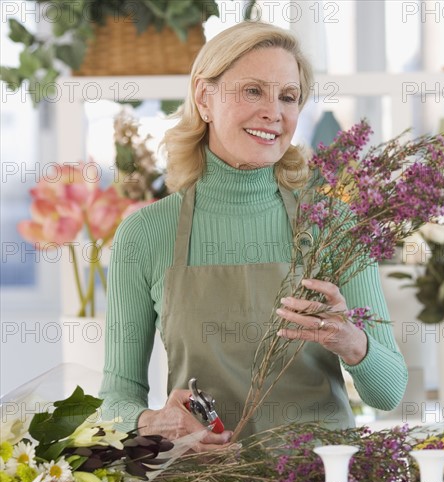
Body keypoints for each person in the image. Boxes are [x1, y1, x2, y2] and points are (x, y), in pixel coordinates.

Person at [99, 21, 408, 449]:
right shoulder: (146, 233)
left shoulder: (334, 225)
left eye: (288, 97)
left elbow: (389, 392)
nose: (273, 112)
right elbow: (115, 399)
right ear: (204, 98)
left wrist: (350, 339)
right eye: (252, 91)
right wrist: (156, 421)